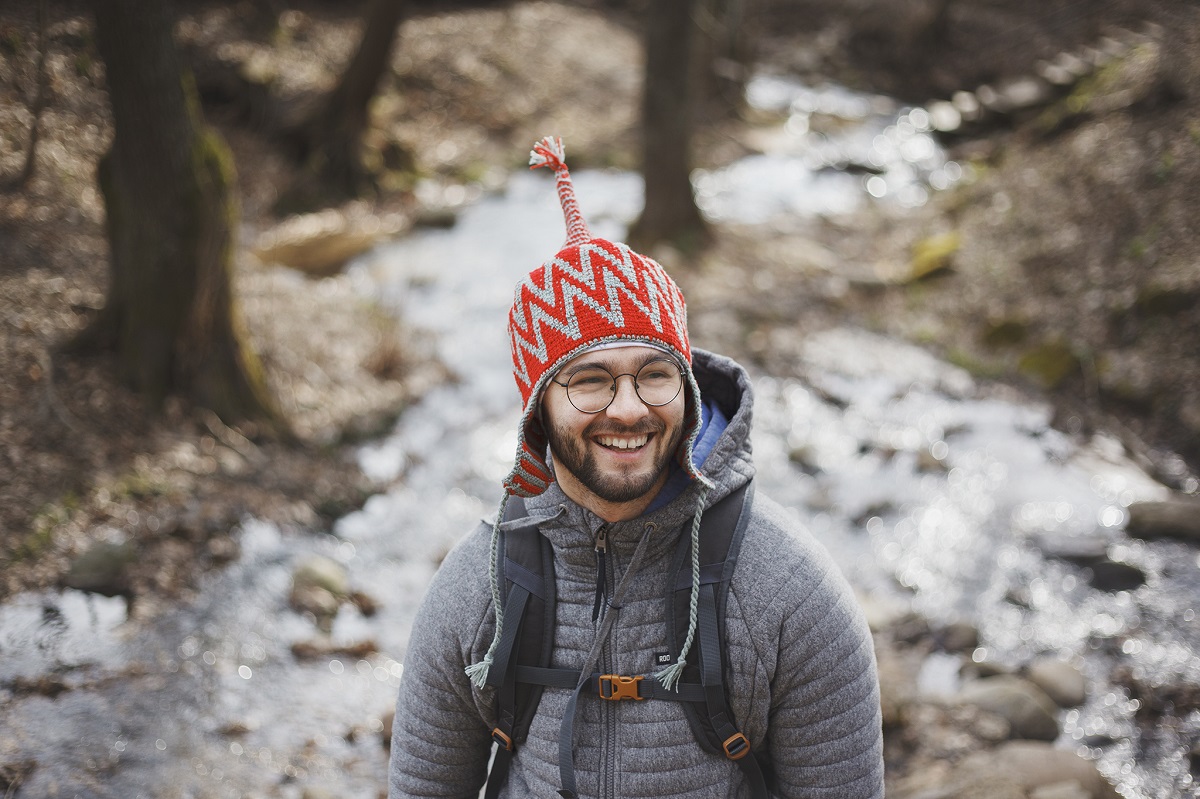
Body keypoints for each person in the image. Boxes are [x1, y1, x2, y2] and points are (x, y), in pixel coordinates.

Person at [388, 137, 884, 798]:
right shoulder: (477, 590)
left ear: (687, 389)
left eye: (654, 374)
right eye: (589, 381)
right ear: (538, 411)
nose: (629, 409)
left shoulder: (792, 593)